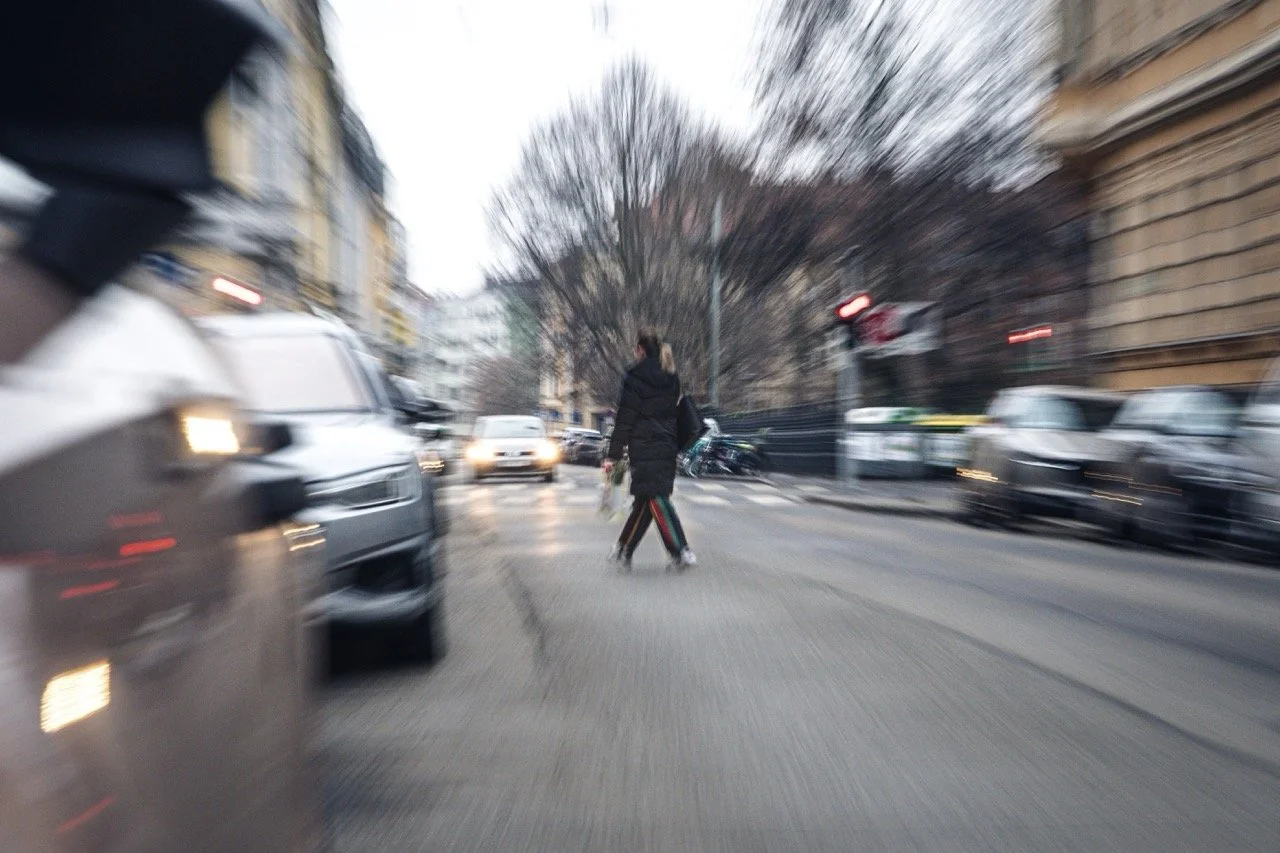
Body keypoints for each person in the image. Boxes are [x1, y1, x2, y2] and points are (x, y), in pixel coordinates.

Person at [602, 329, 697, 572]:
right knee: (647, 499)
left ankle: (681, 550)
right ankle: (623, 549)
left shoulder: (635, 377)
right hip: (667, 445)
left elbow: (625, 418)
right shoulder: (671, 375)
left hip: (644, 446)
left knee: (656, 498)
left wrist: (613, 454)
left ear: (640, 350)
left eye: (636, 350)